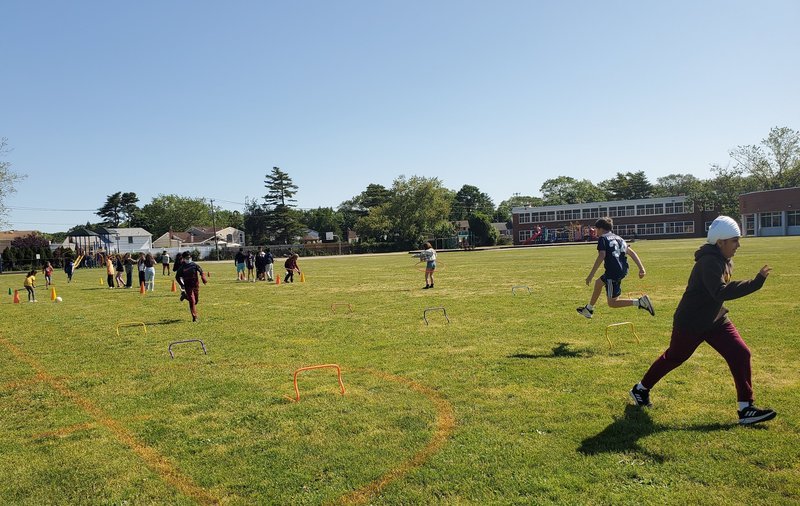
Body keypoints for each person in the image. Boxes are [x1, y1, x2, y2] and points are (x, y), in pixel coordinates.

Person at [630, 216, 776, 425]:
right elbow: (720, 291)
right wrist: (755, 283)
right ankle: (640, 389)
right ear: (720, 242)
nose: (738, 245)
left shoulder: (725, 260)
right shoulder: (709, 262)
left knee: (740, 353)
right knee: (674, 357)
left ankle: (746, 408)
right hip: (691, 322)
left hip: (715, 320)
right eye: (734, 240)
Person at [576, 217, 654, 318]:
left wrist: (591, 275)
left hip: (613, 272)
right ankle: (589, 309)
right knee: (598, 283)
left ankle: (640, 302)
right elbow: (631, 252)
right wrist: (641, 268)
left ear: (600, 229)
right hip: (622, 269)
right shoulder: (619, 238)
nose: (595, 231)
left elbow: (601, 255)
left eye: (596, 229)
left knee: (612, 303)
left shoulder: (603, 238)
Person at [175, 250, 207, 322]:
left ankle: (184, 296)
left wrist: (203, 277)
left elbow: (201, 271)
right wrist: (182, 284)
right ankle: (194, 317)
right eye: (187, 258)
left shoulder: (194, 265)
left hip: (196, 285)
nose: (188, 259)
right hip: (188, 286)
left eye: (189, 257)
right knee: (192, 301)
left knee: (196, 301)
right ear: (183, 258)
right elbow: (177, 277)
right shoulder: (182, 268)